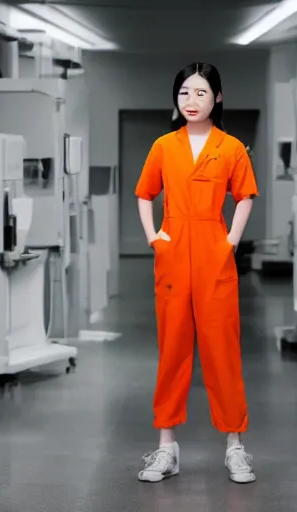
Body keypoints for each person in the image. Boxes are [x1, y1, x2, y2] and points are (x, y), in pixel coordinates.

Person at [134, 63, 258, 484]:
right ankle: (166, 448)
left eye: (201, 93)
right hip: (173, 250)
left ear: (217, 98)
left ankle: (235, 447)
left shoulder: (232, 147)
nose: (191, 101)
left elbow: (244, 197)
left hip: (214, 249)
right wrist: (155, 237)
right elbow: (144, 193)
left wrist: (231, 243)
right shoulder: (164, 146)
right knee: (172, 350)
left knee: (223, 349)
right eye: (185, 92)